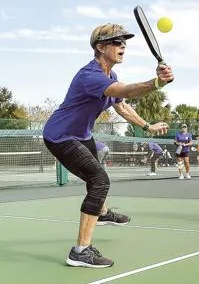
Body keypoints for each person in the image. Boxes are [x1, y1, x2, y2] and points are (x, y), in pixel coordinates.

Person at [42, 23, 174, 268]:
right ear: (100, 47)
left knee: (96, 180)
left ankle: (101, 212)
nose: (122, 45)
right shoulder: (90, 76)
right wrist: (156, 83)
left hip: (81, 134)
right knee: (99, 181)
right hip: (60, 136)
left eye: (124, 42)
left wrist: (147, 126)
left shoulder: (110, 75)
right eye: (116, 42)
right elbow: (126, 91)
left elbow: (121, 104)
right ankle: (80, 251)